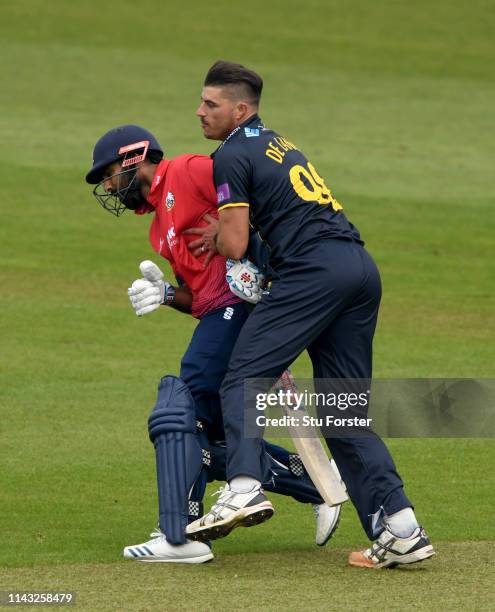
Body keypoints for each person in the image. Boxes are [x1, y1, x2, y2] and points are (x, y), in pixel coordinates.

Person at [185, 61, 435, 569]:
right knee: (342, 411)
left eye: (210, 104)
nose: (200, 112)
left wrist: (222, 238)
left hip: (313, 272)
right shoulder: (278, 142)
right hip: (359, 269)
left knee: (244, 376)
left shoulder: (230, 154)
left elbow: (233, 244)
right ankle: (401, 528)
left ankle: (245, 488)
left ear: (240, 108)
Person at [85, 125, 342, 564]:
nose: (108, 186)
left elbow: (253, 198)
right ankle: (316, 483)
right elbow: (200, 296)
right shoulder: (157, 230)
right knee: (209, 441)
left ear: (133, 159)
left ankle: (179, 537)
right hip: (219, 312)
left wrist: (251, 250)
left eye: (108, 174)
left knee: (179, 408)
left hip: (244, 305)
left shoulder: (186, 170)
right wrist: (168, 295)